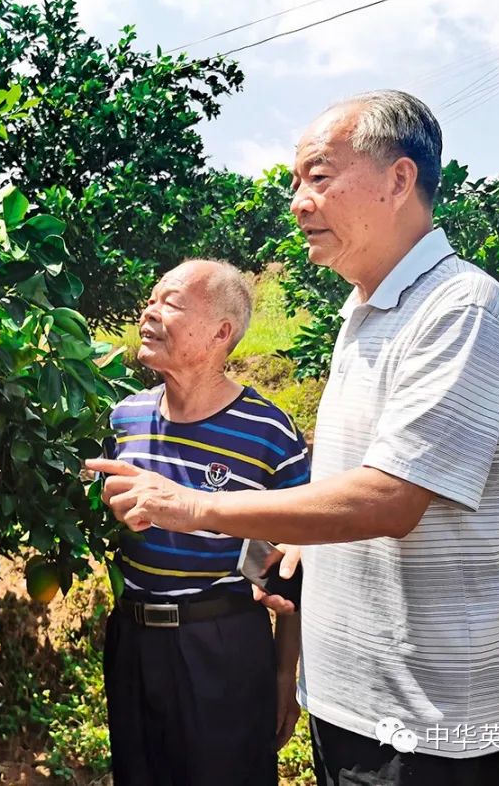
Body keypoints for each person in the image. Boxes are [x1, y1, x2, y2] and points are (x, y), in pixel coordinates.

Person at [88, 90, 499, 786]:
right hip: (351, 705)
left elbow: (390, 497)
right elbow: (350, 488)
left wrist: (193, 507)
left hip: (425, 727)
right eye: (297, 182)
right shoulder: (365, 314)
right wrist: (296, 537)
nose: (297, 201)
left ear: (399, 179)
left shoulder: (460, 307)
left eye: (319, 177)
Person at [99, 259, 311, 786]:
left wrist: (285, 673)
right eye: (150, 299)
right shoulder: (123, 417)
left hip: (221, 644)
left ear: (222, 332)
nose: (148, 312)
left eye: (169, 302)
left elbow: (295, 559)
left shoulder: (268, 432)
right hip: (132, 640)